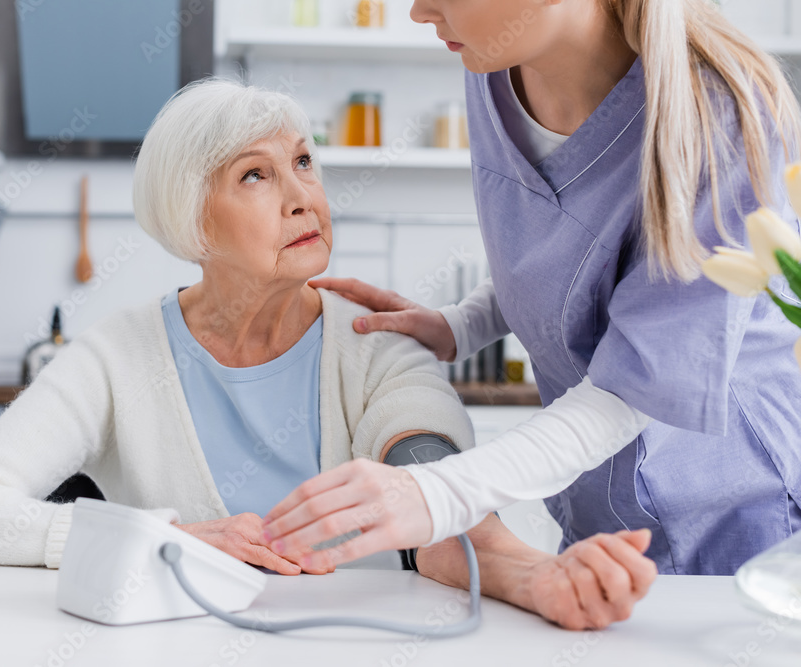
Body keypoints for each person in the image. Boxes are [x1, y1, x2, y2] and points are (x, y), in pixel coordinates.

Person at [0, 79, 655, 630]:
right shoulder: (116, 353)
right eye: (255, 175)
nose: (303, 195)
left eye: (304, 161)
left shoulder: (374, 340)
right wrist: (151, 534)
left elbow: (433, 497)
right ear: (192, 219)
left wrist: (541, 576)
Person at [261, 0, 801, 577]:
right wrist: (464, 323)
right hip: (601, 505)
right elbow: (571, 243)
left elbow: (642, 380)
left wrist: (439, 493)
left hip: (739, 511)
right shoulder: (492, 62)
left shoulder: (722, 115)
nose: (419, 12)